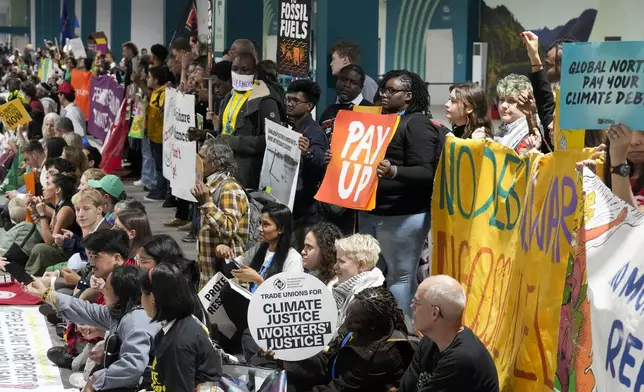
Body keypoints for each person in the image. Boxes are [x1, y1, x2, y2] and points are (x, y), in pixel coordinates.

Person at [359, 70, 441, 313]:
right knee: (370, 275)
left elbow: (426, 172)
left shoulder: (417, 123)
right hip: (371, 210)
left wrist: (394, 171)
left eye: (391, 90)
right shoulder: (377, 120)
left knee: (399, 279)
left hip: (402, 214)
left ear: (408, 95)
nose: (384, 94)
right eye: (383, 89)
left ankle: (403, 338)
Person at [22, 265, 161, 392]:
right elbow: (88, 310)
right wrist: (46, 294)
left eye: (107, 288)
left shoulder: (136, 322)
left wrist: (97, 380)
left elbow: (133, 367)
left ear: (119, 294)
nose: (103, 291)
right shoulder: (125, 310)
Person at [280, 286, 414, 392]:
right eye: (348, 313)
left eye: (354, 320)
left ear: (371, 326)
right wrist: (286, 352)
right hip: (337, 376)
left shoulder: (381, 354)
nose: (347, 321)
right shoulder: (360, 322)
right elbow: (330, 358)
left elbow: (340, 388)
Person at [399, 275, 499, 392]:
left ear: (434, 313)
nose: (412, 307)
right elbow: (405, 388)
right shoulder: (429, 340)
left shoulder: (462, 359)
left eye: (417, 303)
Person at [140, 264, 221, 391]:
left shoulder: (178, 344)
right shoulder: (182, 324)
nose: (141, 300)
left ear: (153, 298)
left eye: (142, 294)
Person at [216, 51, 283, 189]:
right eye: (235, 69)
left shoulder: (265, 99)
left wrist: (235, 142)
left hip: (249, 174)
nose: (239, 73)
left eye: (244, 69)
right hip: (225, 169)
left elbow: (272, 141)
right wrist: (205, 134)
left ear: (255, 72)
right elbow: (226, 131)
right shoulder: (229, 96)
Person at [191, 138, 250, 288]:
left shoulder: (230, 189)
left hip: (227, 281)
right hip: (210, 278)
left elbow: (228, 229)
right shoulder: (210, 187)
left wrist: (206, 203)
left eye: (202, 157)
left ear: (216, 163)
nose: (197, 162)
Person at [285, 79, 327, 245]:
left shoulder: (313, 131)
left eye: (295, 101)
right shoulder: (295, 128)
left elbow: (321, 163)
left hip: (308, 211)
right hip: (296, 207)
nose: (289, 104)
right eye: (287, 99)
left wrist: (307, 153)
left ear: (309, 106)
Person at [24, 173, 82, 275]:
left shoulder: (66, 209)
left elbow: (50, 242)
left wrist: (42, 215)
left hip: (70, 251)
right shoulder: (58, 206)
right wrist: (35, 212)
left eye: (48, 184)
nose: (43, 188)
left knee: (40, 249)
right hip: (61, 249)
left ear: (57, 190)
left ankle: (28, 276)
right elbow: (48, 231)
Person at [319, 64, 373, 142]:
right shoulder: (329, 111)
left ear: (361, 87)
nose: (346, 85)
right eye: (343, 79)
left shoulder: (371, 112)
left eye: (353, 82)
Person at [494, 74, 542, 154]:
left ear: (526, 103)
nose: (503, 105)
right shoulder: (503, 129)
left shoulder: (534, 132)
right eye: (502, 100)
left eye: (511, 101)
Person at [143, 66, 170, 201]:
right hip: (153, 135)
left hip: (160, 136)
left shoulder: (163, 93)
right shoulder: (155, 92)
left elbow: (162, 112)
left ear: (156, 80)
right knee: (157, 164)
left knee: (161, 166)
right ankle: (159, 187)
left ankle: (161, 190)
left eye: (149, 77)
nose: (147, 79)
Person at [603, 124, 644, 211]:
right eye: (623, 130)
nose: (634, 141)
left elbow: (630, 222)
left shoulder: (617, 161)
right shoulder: (601, 169)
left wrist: (618, 161)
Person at [301, 222, 343, 287]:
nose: (303, 252)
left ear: (324, 250)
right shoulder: (311, 276)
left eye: (309, 247)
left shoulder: (334, 286)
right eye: (304, 246)